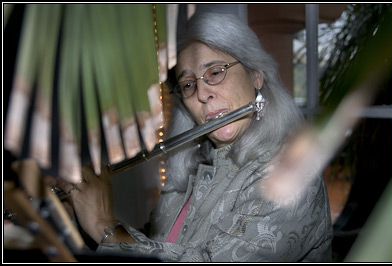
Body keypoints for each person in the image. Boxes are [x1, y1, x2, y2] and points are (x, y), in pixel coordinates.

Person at [55, 12, 333, 262]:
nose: (202, 94)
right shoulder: (191, 169)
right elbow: (161, 248)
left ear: (256, 76)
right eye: (188, 84)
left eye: (215, 72)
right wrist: (81, 216)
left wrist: (105, 226)